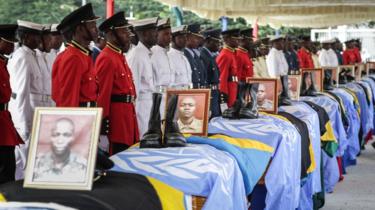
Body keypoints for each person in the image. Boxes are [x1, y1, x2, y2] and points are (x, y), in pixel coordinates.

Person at [95, 11, 139, 155]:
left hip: (127, 118)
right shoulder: (107, 58)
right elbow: (102, 96)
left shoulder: (118, 55)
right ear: (112, 34)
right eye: (124, 31)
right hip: (116, 124)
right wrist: (103, 129)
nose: (128, 35)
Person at [52, 3, 99, 107]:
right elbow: (68, 101)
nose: (96, 29)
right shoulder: (74, 58)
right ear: (79, 29)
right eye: (92, 25)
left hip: (88, 116)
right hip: (80, 119)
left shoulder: (83, 55)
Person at [8, 20, 43, 143]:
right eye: (37, 35)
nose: (40, 39)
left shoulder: (31, 55)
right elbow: (20, 93)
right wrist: (23, 124)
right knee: (23, 159)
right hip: (25, 117)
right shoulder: (23, 57)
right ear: (26, 37)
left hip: (34, 113)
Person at [0, 24, 24, 184]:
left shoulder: (2, 62)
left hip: (4, 119)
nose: (12, 45)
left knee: (8, 170)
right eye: (8, 42)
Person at [127, 17, 158, 137]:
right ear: (145, 34)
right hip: (141, 111)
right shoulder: (137, 55)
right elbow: (134, 90)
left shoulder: (146, 53)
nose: (157, 34)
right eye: (154, 31)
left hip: (149, 108)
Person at [33, 118, 87, 182]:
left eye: (66, 135)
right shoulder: (37, 163)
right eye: (56, 134)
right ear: (51, 137)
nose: (60, 140)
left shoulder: (83, 164)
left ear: (72, 138)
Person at [151, 18, 173, 117]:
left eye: (170, 34)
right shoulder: (152, 53)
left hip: (170, 98)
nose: (169, 37)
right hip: (157, 99)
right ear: (156, 34)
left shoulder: (167, 53)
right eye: (165, 34)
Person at [200, 28, 221, 117]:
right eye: (216, 42)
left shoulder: (211, 55)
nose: (218, 45)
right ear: (208, 41)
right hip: (209, 93)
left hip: (215, 92)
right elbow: (204, 78)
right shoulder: (203, 55)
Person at [216, 29, 240, 107]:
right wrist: (223, 94)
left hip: (233, 87)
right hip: (228, 90)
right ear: (227, 39)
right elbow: (222, 77)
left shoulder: (232, 53)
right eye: (235, 38)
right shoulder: (225, 55)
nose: (238, 40)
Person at [36, 24, 54, 107]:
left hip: (51, 103)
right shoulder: (33, 57)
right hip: (36, 104)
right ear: (40, 40)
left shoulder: (51, 56)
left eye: (51, 39)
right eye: (48, 40)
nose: (51, 43)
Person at [184, 23, 206, 88]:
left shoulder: (195, 54)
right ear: (187, 37)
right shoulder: (183, 54)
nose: (198, 40)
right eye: (196, 38)